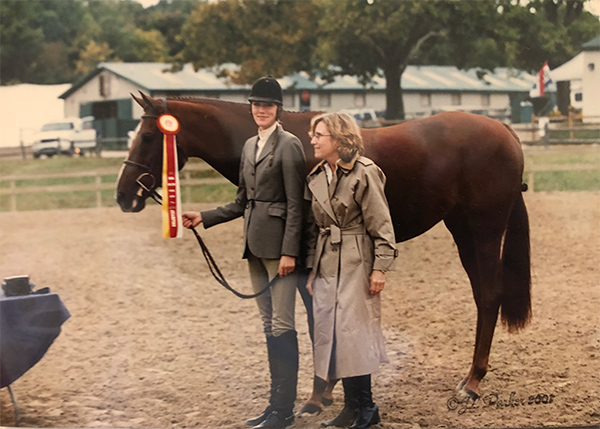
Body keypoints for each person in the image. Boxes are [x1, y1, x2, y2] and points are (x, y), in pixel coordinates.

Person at [182, 76, 306, 429]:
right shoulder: (250, 145)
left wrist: (289, 252)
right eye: (256, 104)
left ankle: (284, 410)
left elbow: (297, 204)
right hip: (254, 246)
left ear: (278, 109)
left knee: (282, 324)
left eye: (267, 105)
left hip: (279, 248)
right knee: (268, 325)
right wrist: (204, 217)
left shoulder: (290, 145)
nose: (261, 110)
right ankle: (273, 405)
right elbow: (242, 201)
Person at [304, 112, 397, 429]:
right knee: (333, 335)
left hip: (358, 259)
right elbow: (316, 228)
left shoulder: (364, 172)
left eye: (319, 135)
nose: (313, 139)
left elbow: (382, 226)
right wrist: (313, 272)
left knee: (353, 333)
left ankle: (367, 408)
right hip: (327, 260)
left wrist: (380, 268)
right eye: (313, 134)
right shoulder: (317, 175)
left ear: (340, 139)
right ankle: (351, 408)